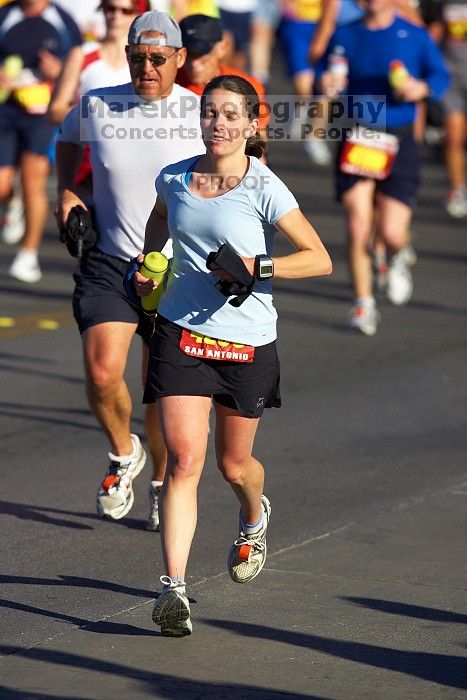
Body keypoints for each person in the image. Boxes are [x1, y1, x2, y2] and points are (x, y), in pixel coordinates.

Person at [134, 74, 332, 636]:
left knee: (233, 465)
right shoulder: (174, 178)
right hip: (180, 336)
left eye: (229, 116)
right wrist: (150, 266)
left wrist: (256, 268)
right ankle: (173, 589)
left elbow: (319, 258)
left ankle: (253, 515)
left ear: (251, 124)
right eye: (209, 114)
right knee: (184, 460)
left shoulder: (265, 188)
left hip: (246, 342)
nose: (217, 125)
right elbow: (157, 221)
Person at [54, 11, 205, 531]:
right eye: (138, 58)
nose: (147, 68)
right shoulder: (98, 103)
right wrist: (69, 190)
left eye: (158, 59)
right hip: (111, 259)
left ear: (179, 60)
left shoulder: (200, 112)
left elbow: (243, 167)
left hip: (178, 271)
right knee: (101, 371)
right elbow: (67, 139)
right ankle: (124, 455)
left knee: (158, 392)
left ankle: (163, 483)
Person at [317, 0, 449, 336]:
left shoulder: (414, 35)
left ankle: (397, 255)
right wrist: (327, 84)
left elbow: (439, 76)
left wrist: (421, 88)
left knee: (391, 231)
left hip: (398, 137)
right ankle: (364, 303)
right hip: (356, 135)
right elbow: (325, 71)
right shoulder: (346, 32)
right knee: (359, 223)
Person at [0, 0, 82, 282]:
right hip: (7, 108)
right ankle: (13, 204)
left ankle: (28, 254)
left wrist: (58, 70)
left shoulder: (60, 18)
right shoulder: (7, 14)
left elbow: (78, 61)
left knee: (33, 180)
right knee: (2, 184)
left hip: (41, 113)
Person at [176, 13, 269, 141]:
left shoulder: (249, 88)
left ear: (223, 48)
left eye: (202, 53)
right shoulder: (165, 86)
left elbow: (259, 140)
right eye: (187, 54)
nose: (194, 63)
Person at [430, 0, 467, 218]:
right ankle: (458, 188)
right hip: (450, 76)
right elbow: (434, 32)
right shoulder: (442, 2)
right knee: (454, 136)